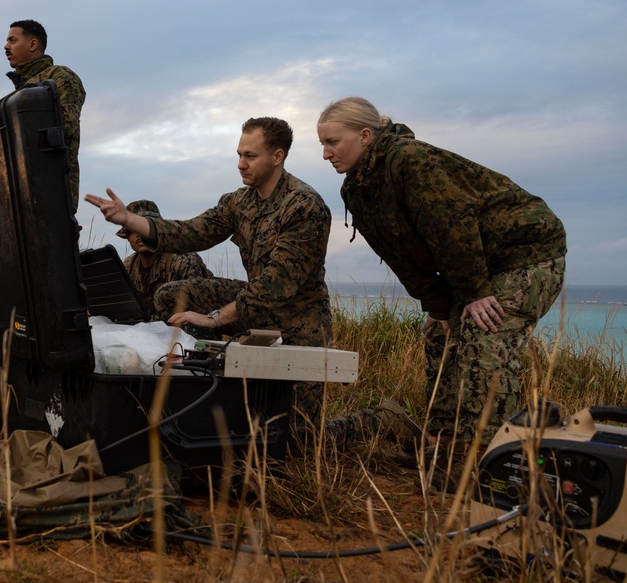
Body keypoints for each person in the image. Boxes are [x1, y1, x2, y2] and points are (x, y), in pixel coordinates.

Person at [317, 96, 567, 489]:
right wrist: (436, 305)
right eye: (322, 145)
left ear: (365, 136)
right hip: (475, 265)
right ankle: (444, 447)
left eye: (333, 142)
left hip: (526, 252)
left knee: (486, 332)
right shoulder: (358, 191)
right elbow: (399, 256)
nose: (326, 153)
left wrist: (475, 292)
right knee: (439, 332)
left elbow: (453, 225)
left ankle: (486, 465)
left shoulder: (411, 161)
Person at [85, 117, 333, 443]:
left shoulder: (304, 206)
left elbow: (275, 287)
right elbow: (192, 233)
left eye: (250, 156)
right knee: (172, 295)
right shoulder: (238, 202)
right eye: (239, 154)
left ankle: (382, 420)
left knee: (297, 441)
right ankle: (191, 385)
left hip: (299, 321)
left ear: (277, 156)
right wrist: (130, 219)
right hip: (254, 309)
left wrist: (213, 319)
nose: (240, 164)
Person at [4, 19, 86, 208]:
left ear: (33, 44)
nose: (6, 46)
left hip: (52, 189)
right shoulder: (19, 90)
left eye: (12, 41)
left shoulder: (60, 77)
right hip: (20, 192)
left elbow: (65, 128)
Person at [116, 199, 213, 320]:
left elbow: (195, 311)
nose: (139, 234)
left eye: (143, 227)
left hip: (185, 334)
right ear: (127, 236)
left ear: (157, 230)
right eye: (132, 229)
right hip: (145, 334)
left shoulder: (183, 260)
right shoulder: (127, 267)